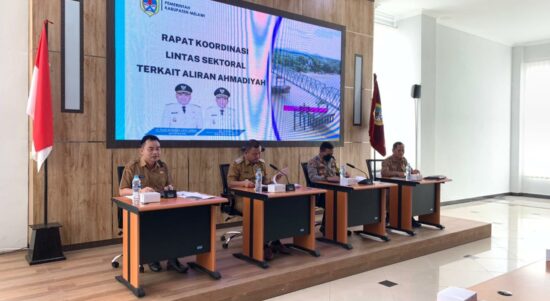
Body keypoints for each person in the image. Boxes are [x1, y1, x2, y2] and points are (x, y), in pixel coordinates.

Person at [118, 135, 186, 273]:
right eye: (151, 149)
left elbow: (169, 186)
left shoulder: (163, 166)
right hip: (140, 209)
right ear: (141, 151)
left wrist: (169, 188)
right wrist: (140, 190)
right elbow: (122, 191)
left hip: (161, 207)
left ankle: (172, 259)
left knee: (178, 220)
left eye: (158, 149)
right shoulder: (132, 167)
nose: (155, 152)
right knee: (152, 224)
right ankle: (151, 257)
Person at [227, 139, 289, 260]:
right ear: (246, 153)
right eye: (255, 154)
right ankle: (262, 245)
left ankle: (275, 241)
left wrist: (276, 178)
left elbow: (265, 181)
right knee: (259, 211)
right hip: (241, 198)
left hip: (259, 196)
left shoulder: (261, 163)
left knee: (275, 208)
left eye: (259, 153)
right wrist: (243, 183)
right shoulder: (237, 163)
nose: (258, 156)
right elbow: (230, 183)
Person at [307, 142, 349, 234]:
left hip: (334, 189)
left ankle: (339, 226)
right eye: (328, 153)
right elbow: (312, 178)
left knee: (344, 198)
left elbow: (337, 173)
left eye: (332, 153)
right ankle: (326, 226)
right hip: (320, 192)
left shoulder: (332, 160)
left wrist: (343, 174)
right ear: (321, 151)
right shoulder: (312, 162)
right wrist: (327, 178)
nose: (330, 155)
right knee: (334, 200)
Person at [381, 141, 422, 227]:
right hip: (391, 186)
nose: (401, 152)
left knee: (412, 192)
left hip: (403, 185)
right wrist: (397, 173)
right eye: (399, 150)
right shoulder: (387, 161)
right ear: (393, 150)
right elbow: (384, 173)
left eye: (403, 150)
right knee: (397, 194)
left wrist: (413, 172)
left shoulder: (404, 160)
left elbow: (409, 171)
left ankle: (408, 217)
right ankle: (390, 216)